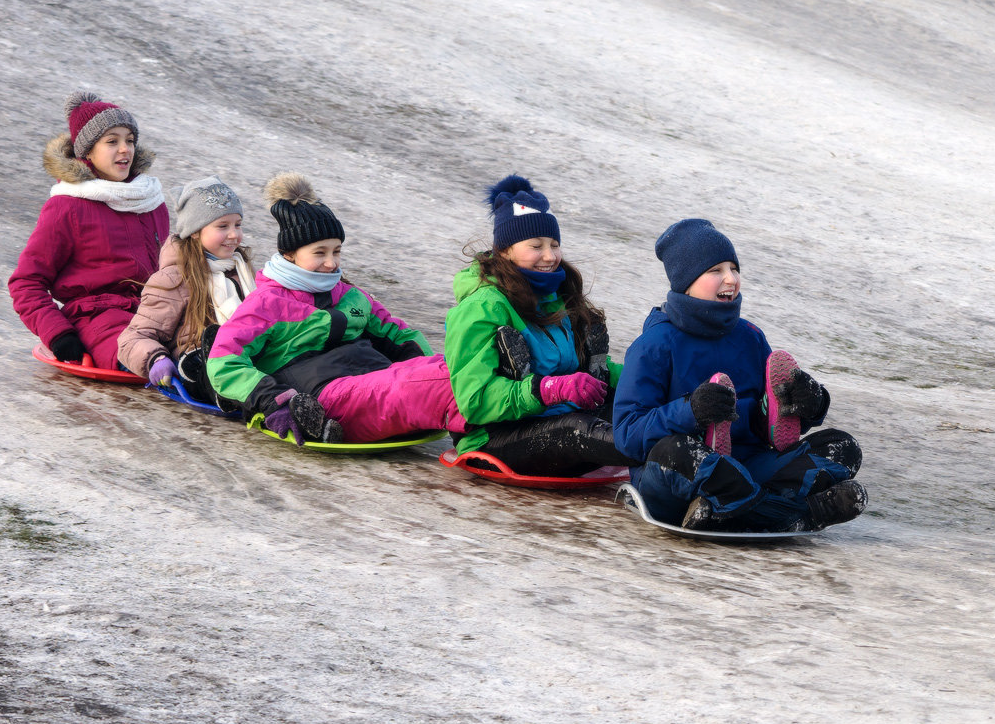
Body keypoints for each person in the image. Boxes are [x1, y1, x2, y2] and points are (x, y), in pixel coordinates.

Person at [613, 218, 868, 532]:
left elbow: (770, 419)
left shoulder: (749, 337)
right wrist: (690, 410)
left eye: (734, 268)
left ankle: (726, 510)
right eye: (716, 271)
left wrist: (809, 403)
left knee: (843, 448)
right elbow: (626, 435)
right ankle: (799, 512)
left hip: (747, 465)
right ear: (686, 281)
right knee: (678, 452)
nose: (731, 279)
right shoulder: (653, 346)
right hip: (680, 474)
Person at [206, 173, 467, 445]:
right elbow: (223, 362)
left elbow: (402, 336)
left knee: (455, 367)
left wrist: (425, 362)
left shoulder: (351, 296)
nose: (331, 264)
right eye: (320, 253)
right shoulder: (266, 304)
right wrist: (273, 400)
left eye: (336, 251)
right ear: (290, 254)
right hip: (326, 397)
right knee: (430, 384)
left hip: (376, 381)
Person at [442, 174, 634, 476]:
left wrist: (648, 380)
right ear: (505, 250)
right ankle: (662, 452)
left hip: (561, 417)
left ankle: (691, 439)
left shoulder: (556, 295)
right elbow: (474, 401)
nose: (550, 256)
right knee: (577, 429)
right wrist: (548, 389)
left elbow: (595, 372)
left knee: (636, 403)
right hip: (495, 436)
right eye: (536, 246)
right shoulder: (481, 308)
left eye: (554, 244)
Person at [9, 91, 169, 370]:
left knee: (209, 349)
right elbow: (26, 282)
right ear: (87, 152)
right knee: (145, 357)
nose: (125, 149)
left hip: (155, 312)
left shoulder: (150, 200)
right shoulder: (67, 206)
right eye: (112, 142)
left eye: (130, 140)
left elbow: (171, 269)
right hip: (97, 320)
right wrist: (59, 334)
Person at [117, 176, 255, 403]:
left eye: (237, 224)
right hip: (196, 363)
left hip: (244, 358)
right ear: (195, 231)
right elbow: (133, 338)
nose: (234, 235)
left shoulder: (241, 271)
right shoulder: (174, 279)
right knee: (206, 355)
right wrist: (155, 358)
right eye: (223, 226)